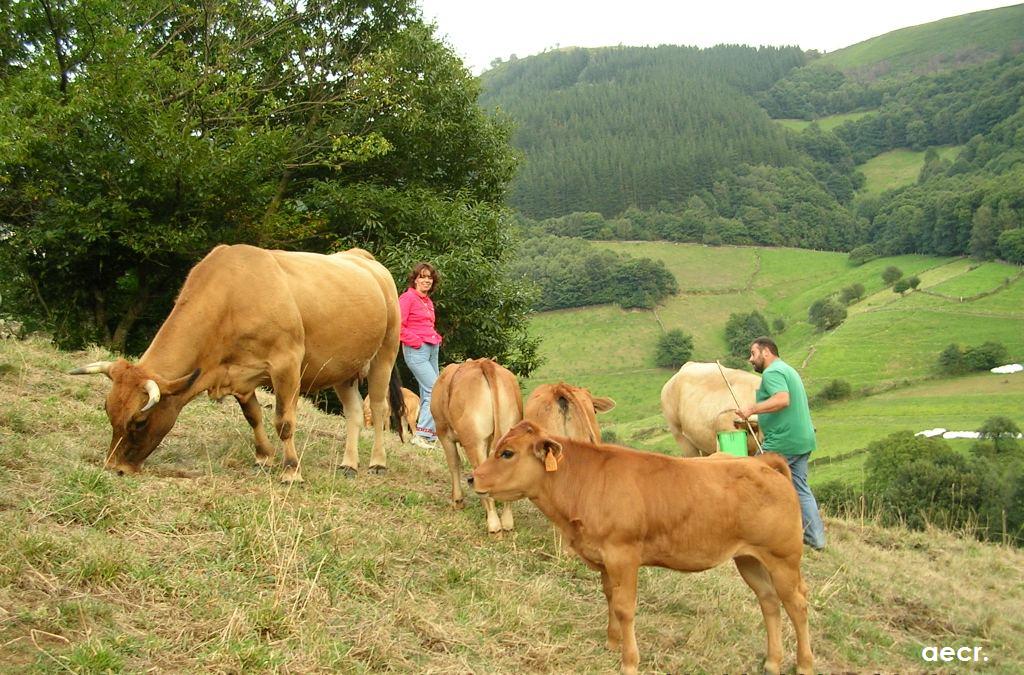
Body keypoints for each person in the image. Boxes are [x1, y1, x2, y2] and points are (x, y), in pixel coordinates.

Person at [737, 336, 826, 551]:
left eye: (753, 353)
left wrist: (751, 409)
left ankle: (754, 534)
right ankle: (816, 539)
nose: (750, 359)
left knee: (750, 478)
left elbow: (782, 399)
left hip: (783, 442)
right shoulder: (788, 369)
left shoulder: (772, 372)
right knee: (800, 488)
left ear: (766, 352)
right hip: (801, 439)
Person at [399, 262, 443, 449]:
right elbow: (397, 326)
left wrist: (434, 339)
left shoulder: (427, 301)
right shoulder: (407, 298)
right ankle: (421, 435)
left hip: (432, 348)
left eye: (429, 277)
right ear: (415, 279)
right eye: (422, 277)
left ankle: (428, 437)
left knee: (429, 392)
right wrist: (416, 341)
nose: (426, 280)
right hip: (417, 349)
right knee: (435, 390)